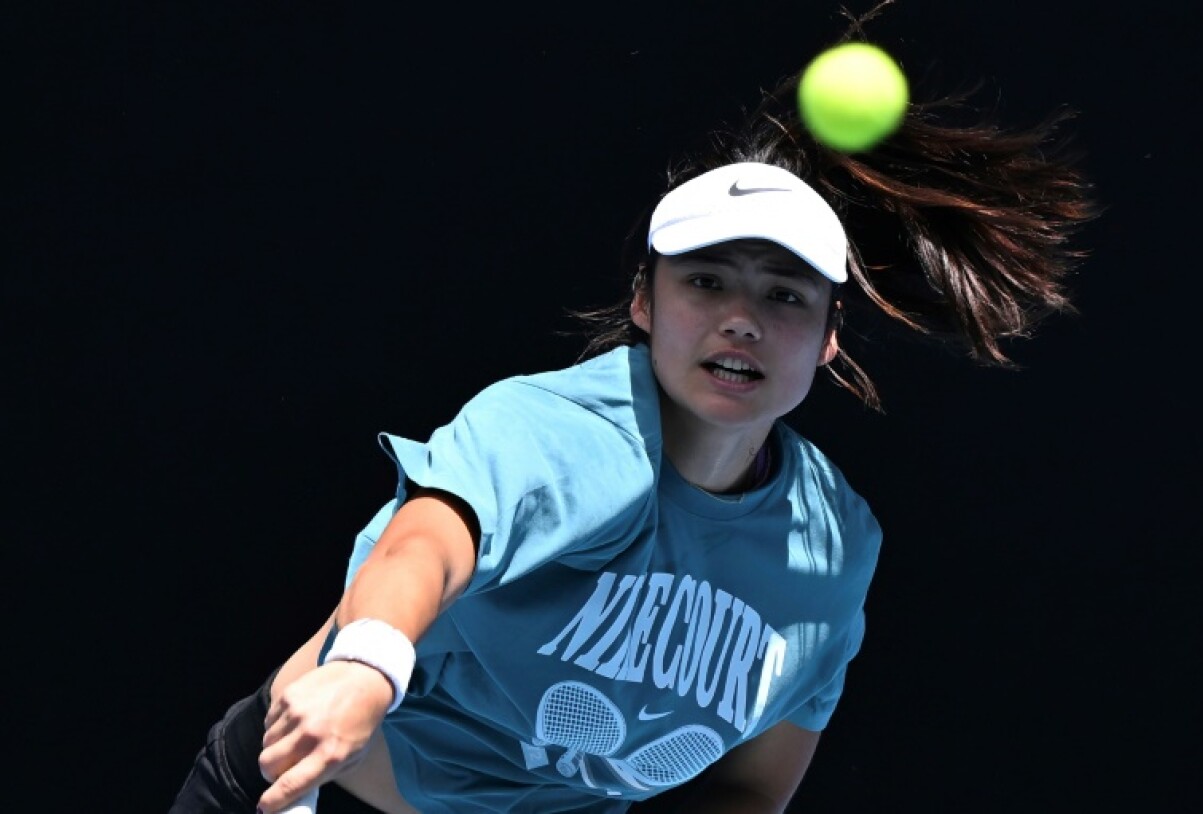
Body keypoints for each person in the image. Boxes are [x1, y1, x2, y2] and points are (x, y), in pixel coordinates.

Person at [170, 14, 1098, 814]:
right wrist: (365, 669)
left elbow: (750, 787)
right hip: (308, 792)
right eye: (705, 282)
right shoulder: (564, 434)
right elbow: (427, 544)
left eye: (784, 297)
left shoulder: (831, 547)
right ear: (645, 303)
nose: (741, 317)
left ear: (827, 339)